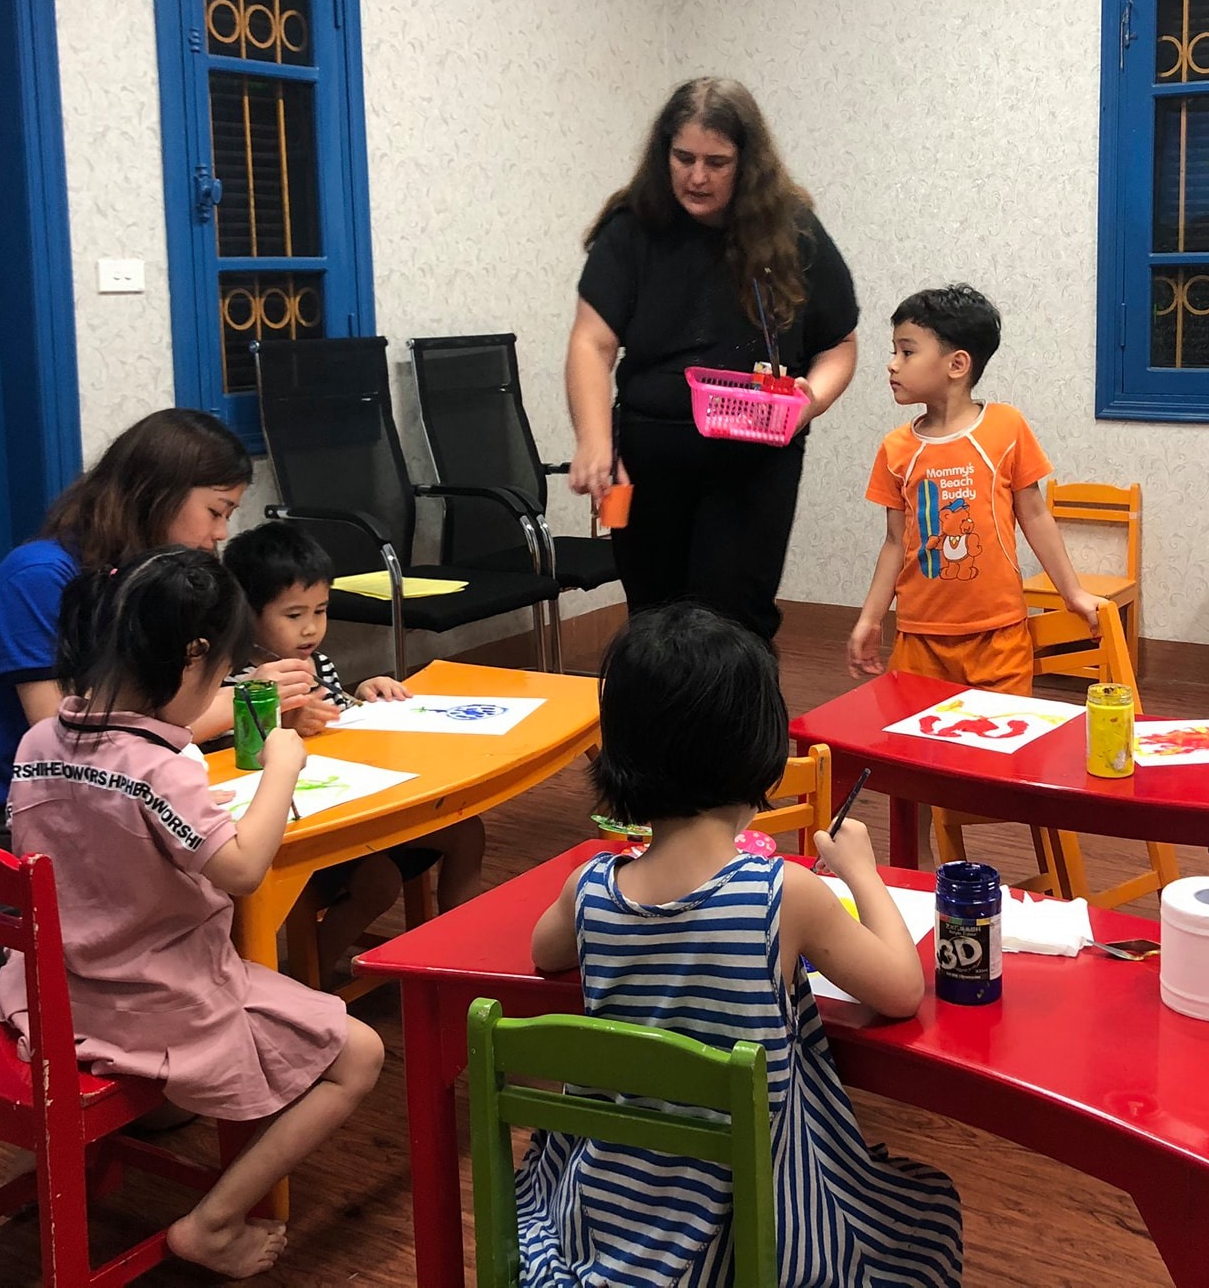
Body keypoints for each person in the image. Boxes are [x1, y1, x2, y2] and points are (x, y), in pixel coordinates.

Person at [520, 603, 961, 1285]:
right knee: (925, 1213)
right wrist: (862, 872)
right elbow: (901, 990)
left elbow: (543, 951)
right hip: (747, 1230)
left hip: (608, 1211)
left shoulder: (591, 888)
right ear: (759, 750)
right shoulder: (783, 894)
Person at [0, 547, 384, 1279]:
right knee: (360, 1055)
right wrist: (281, 768)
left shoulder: (39, 740)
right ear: (194, 657)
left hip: (51, 995)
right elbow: (242, 869)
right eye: (219, 675)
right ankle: (215, 1219)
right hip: (156, 999)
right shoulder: (159, 766)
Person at [0, 410, 321, 1017]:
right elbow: (71, 733)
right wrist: (241, 704)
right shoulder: (40, 577)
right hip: (20, 823)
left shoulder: (138, 577)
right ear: (158, 492)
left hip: (96, 811)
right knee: (144, 1050)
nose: (221, 533)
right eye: (216, 511)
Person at [564, 77, 861, 643]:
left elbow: (839, 345)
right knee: (653, 624)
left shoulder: (794, 231)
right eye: (684, 158)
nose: (697, 177)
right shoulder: (631, 228)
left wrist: (813, 399)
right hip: (649, 460)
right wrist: (594, 442)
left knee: (732, 625)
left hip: (753, 462)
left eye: (716, 162)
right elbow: (591, 343)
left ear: (747, 164)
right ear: (664, 153)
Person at [221, 522, 486, 971]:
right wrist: (282, 724)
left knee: (466, 831)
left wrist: (363, 694)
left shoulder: (318, 664)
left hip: (361, 803)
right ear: (247, 613)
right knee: (378, 882)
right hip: (297, 829)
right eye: (293, 615)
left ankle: (460, 962)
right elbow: (226, 757)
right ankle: (308, 979)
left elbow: (338, 714)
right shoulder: (236, 680)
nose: (311, 628)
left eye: (320, 611)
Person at [849, 284, 1107, 690]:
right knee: (917, 731)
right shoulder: (895, 449)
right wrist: (870, 617)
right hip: (918, 639)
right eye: (893, 351)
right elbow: (895, 542)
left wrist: (1072, 593)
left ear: (957, 364)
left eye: (907, 352)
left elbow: (1035, 515)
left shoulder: (1007, 427)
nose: (892, 365)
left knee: (1000, 731)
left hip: (999, 638)